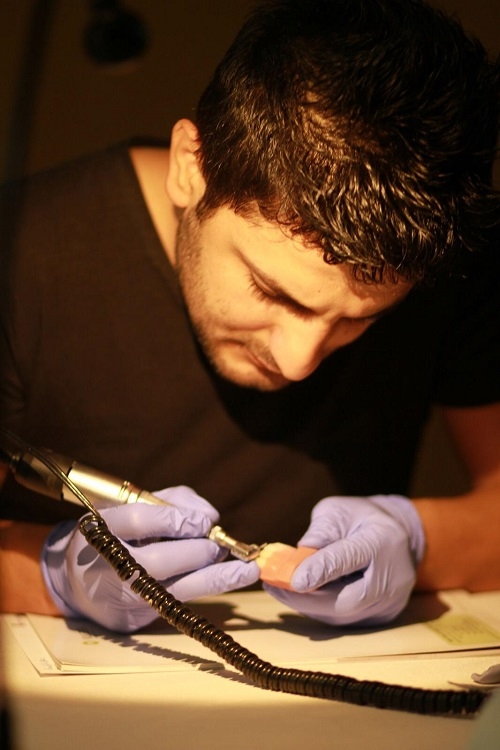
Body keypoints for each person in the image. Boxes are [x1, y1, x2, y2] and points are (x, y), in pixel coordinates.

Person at [0, 0, 499, 633]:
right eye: (273, 291)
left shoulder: (446, 256)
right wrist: (54, 575)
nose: (300, 361)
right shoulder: (23, 256)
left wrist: (418, 540)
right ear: (191, 168)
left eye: (359, 320)